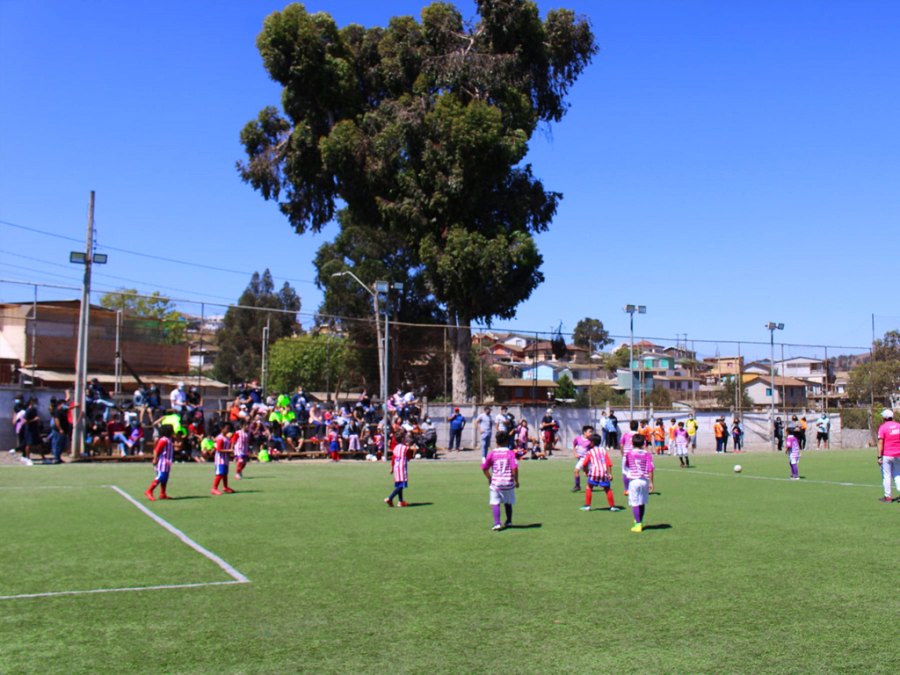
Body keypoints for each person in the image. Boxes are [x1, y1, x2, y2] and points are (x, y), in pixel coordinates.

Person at [482, 430, 519, 530]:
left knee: (495, 502)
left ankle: (497, 523)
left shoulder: (492, 454)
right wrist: (516, 481)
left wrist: (490, 479)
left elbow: (484, 467)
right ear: (507, 441)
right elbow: (514, 468)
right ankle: (509, 520)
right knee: (508, 502)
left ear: (496, 441)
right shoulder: (510, 453)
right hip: (508, 483)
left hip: (496, 484)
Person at [578, 433, 619, 512]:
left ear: (592, 443)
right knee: (607, 489)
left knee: (589, 487)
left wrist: (585, 471)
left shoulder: (590, 452)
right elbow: (608, 463)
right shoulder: (603, 451)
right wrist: (610, 474)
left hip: (594, 472)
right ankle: (612, 506)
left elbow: (585, 463)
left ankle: (587, 506)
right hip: (604, 473)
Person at [623, 433, 655, 532]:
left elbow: (627, 464)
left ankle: (638, 524)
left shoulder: (629, 453)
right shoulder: (647, 454)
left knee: (635, 503)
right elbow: (650, 469)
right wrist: (651, 483)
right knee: (642, 502)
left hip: (634, 480)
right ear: (644, 443)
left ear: (631, 443)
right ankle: (639, 521)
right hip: (644, 480)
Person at [145, 424, 175, 501]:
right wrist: (155, 459)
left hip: (167, 462)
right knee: (160, 476)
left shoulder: (169, 440)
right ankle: (149, 491)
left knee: (165, 478)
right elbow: (156, 450)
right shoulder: (163, 440)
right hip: (162, 462)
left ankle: (162, 494)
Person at [876, 409, 900, 503]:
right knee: (898, 474)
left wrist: (879, 456)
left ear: (884, 418)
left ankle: (888, 496)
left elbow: (880, 442)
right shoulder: (898, 426)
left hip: (887, 454)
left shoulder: (883, 427)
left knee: (886, 475)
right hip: (898, 454)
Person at [384, 429, 411, 507]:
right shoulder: (405, 448)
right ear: (402, 440)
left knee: (399, 485)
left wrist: (392, 468)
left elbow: (393, 458)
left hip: (396, 468)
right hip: (402, 469)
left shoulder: (395, 448)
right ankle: (390, 498)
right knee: (402, 485)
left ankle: (400, 501)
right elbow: (409, 457)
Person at [211, 423, 235, 495]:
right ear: (222, 429)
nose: (228, 430)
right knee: (220, 474)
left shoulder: (227, 438)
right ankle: (214, 488)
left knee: (225, 473)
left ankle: (225, 487)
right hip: (220, 459)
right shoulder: (220, 438)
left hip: (225, 459)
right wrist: (229, 451)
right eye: (226, 428)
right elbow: (218, 449)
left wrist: (230, 453)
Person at [571, 425, 593, 492]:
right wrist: (575, 454)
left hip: (585, 459)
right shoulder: (578, 439)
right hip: (580, 459)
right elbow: (574, 446)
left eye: (592, 432)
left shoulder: (591, 441)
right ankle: (596, 476)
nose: (591, 433)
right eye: (590, 432)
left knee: (576, 470)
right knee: (586, 473)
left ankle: (577, 486)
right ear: (584, 432)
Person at [620, 420, 639, 496]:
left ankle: (626, 489)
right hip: (636, 456)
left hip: (626, 455)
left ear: (630, 426)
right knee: (636, 472)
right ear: (637, 427)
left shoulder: (626, 434)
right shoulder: (639, 435)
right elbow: (643, 445)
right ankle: (635, 489)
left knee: (625, 472)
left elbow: (621, 445)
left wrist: (622, 454)